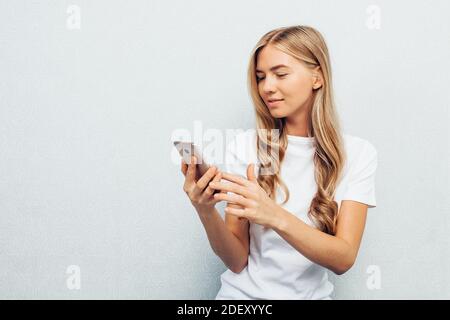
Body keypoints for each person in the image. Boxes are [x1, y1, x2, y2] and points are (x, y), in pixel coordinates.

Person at [180, 25, 377, 300]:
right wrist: (205, 211)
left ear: (317, 77)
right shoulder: (247, 147)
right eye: (260, 77)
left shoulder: (358, 154)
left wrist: (273, 215)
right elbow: (237, 260)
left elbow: (343, 258)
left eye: (280, 74)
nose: (267, 87)